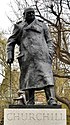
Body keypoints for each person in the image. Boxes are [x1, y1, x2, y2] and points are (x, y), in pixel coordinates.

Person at [7, 7, 57, 105]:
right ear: (24, 15)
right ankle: (30, 101)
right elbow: (11, 41)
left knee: (47, 78)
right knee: (28, 80)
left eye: (32, 13)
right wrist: (10, 55)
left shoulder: (42, 25)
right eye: (28, 13)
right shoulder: (20, 27)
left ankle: (51, 99)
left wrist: (49, 53)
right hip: (27, 58)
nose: (31, 14)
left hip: (43, 57)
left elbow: (49, 41)